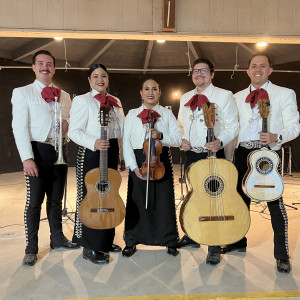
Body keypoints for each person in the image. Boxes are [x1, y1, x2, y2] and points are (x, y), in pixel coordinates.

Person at [223, 53, 300, 273]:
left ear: (270, 70)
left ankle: (282, 255)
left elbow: (295, 125)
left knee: (275, 203)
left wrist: (278, 136)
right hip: (242, 152)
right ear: (247, 71)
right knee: (239, 201)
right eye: (253, 66)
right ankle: (237, 242)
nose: (258, 69)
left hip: (268, 152)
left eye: (262, 66)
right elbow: (231, 129)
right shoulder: (236, 97)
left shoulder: (285, 94)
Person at [11, 50, 78, 267]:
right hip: (37, 153)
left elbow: (67, 121)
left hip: (59, 152)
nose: (45, 68)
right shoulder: (22, 93)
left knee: (56, 200)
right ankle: (31, 247)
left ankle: (57, 239)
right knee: (34, 203)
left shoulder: (64, 95)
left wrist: (68, 125)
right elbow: (19, 127)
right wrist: (26, 158)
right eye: (40, 64)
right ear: (33, 67)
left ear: (54, 69)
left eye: (49, 64)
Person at [177, 58, 239, 265]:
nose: (199, 74)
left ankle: (214, 245)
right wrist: (182, 141)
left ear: (212, 74)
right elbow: (181, 126)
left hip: (212, 154)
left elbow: (233, 125)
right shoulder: (185, 97)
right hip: (192, 155)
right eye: (195, 71)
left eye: (204, 71)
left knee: (213, 201)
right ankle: (194, 236)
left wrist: (220, 141)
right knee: (194, 196)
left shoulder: (224, 95)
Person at [68, 63, 125, 264]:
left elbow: (120, 130)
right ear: (89, 80)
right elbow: (73, 131)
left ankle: (106, 241)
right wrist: (93, 142)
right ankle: (89, 245)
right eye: (95, 76)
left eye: (103, 76)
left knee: (110, 196)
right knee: (90, 198)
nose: (100, 79)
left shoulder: (115, 101)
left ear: (108, 79)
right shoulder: (82, 101)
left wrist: (122, 155)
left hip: (111, 151)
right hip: (91, 152)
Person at [122, 78, 181, 257]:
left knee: (164, 202)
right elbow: (126, 143)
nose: (150, 92)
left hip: (160, 160)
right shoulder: (132, 114)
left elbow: (178, 140)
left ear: (160, 92)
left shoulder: (167, 113)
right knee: (136, 201)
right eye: (146, 89)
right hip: (140, 161)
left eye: (154, 89)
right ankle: (132, 240)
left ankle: (169, 239)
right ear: (141, 93)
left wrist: (161, 135)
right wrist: (133, 167)